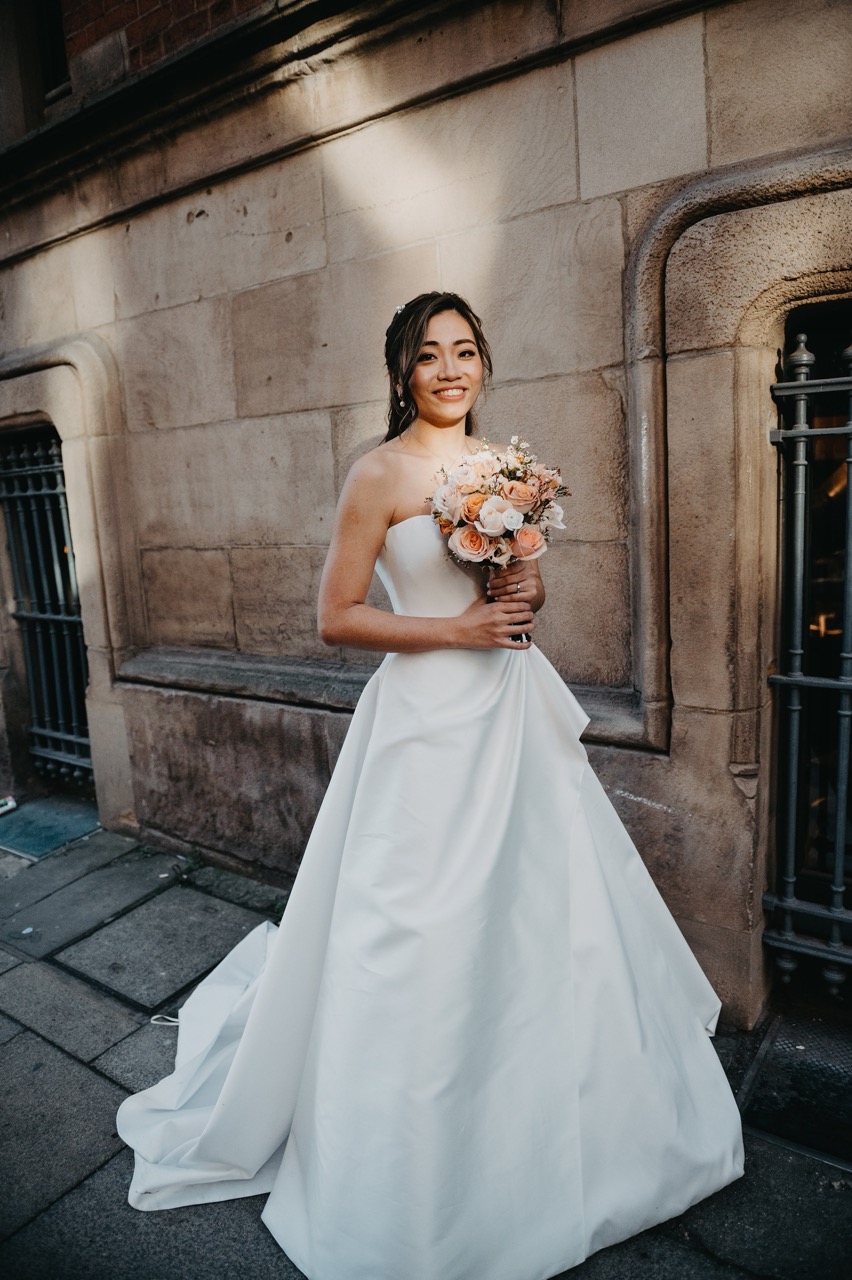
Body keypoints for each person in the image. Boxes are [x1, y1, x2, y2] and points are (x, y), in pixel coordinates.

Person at [117, 292, 744, 1280]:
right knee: (411, 927)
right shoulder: (379, 471)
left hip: (510, 711)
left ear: (483, 362)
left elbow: (521, 592)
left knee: (548, 915)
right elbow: (337, 614)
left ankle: (561, 1134)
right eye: (427, 355)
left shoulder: (503, 470)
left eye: (464, 351)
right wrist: (455, 630)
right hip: (424, 725)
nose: (450, 369)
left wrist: (524, 591)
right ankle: (410, 1168)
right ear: (400, 371)